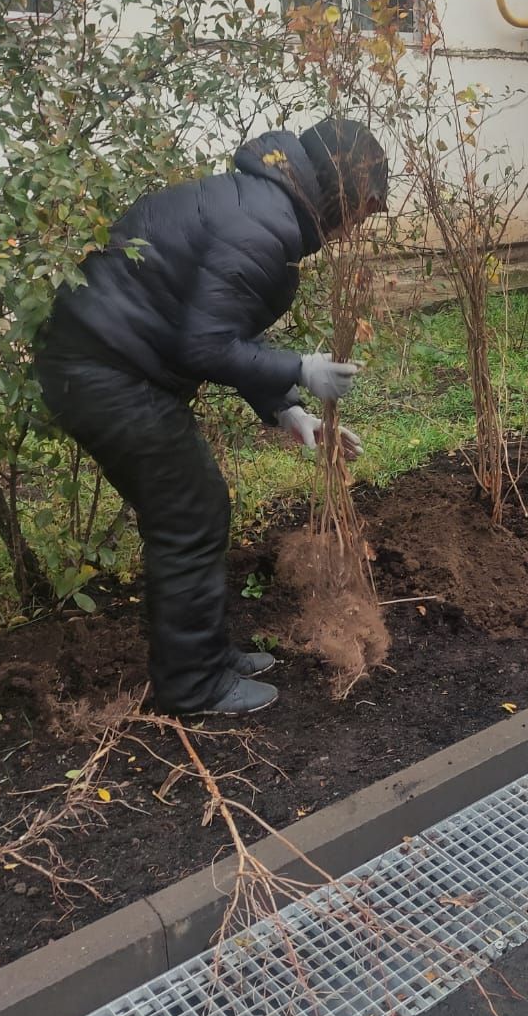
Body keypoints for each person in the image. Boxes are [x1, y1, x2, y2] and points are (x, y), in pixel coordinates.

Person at [35, 118, 388, 718]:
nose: (353, 227)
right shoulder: (264, 225)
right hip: (107, 372)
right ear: (338, 194)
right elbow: (204, 348)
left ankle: (205, 657)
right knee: (191, 514)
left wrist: (287, 410)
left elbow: (217, 328)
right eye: (360, 211)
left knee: (190, 511)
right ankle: (194, 686)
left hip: (104, 364)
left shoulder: (258, 201)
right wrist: (302, 367)